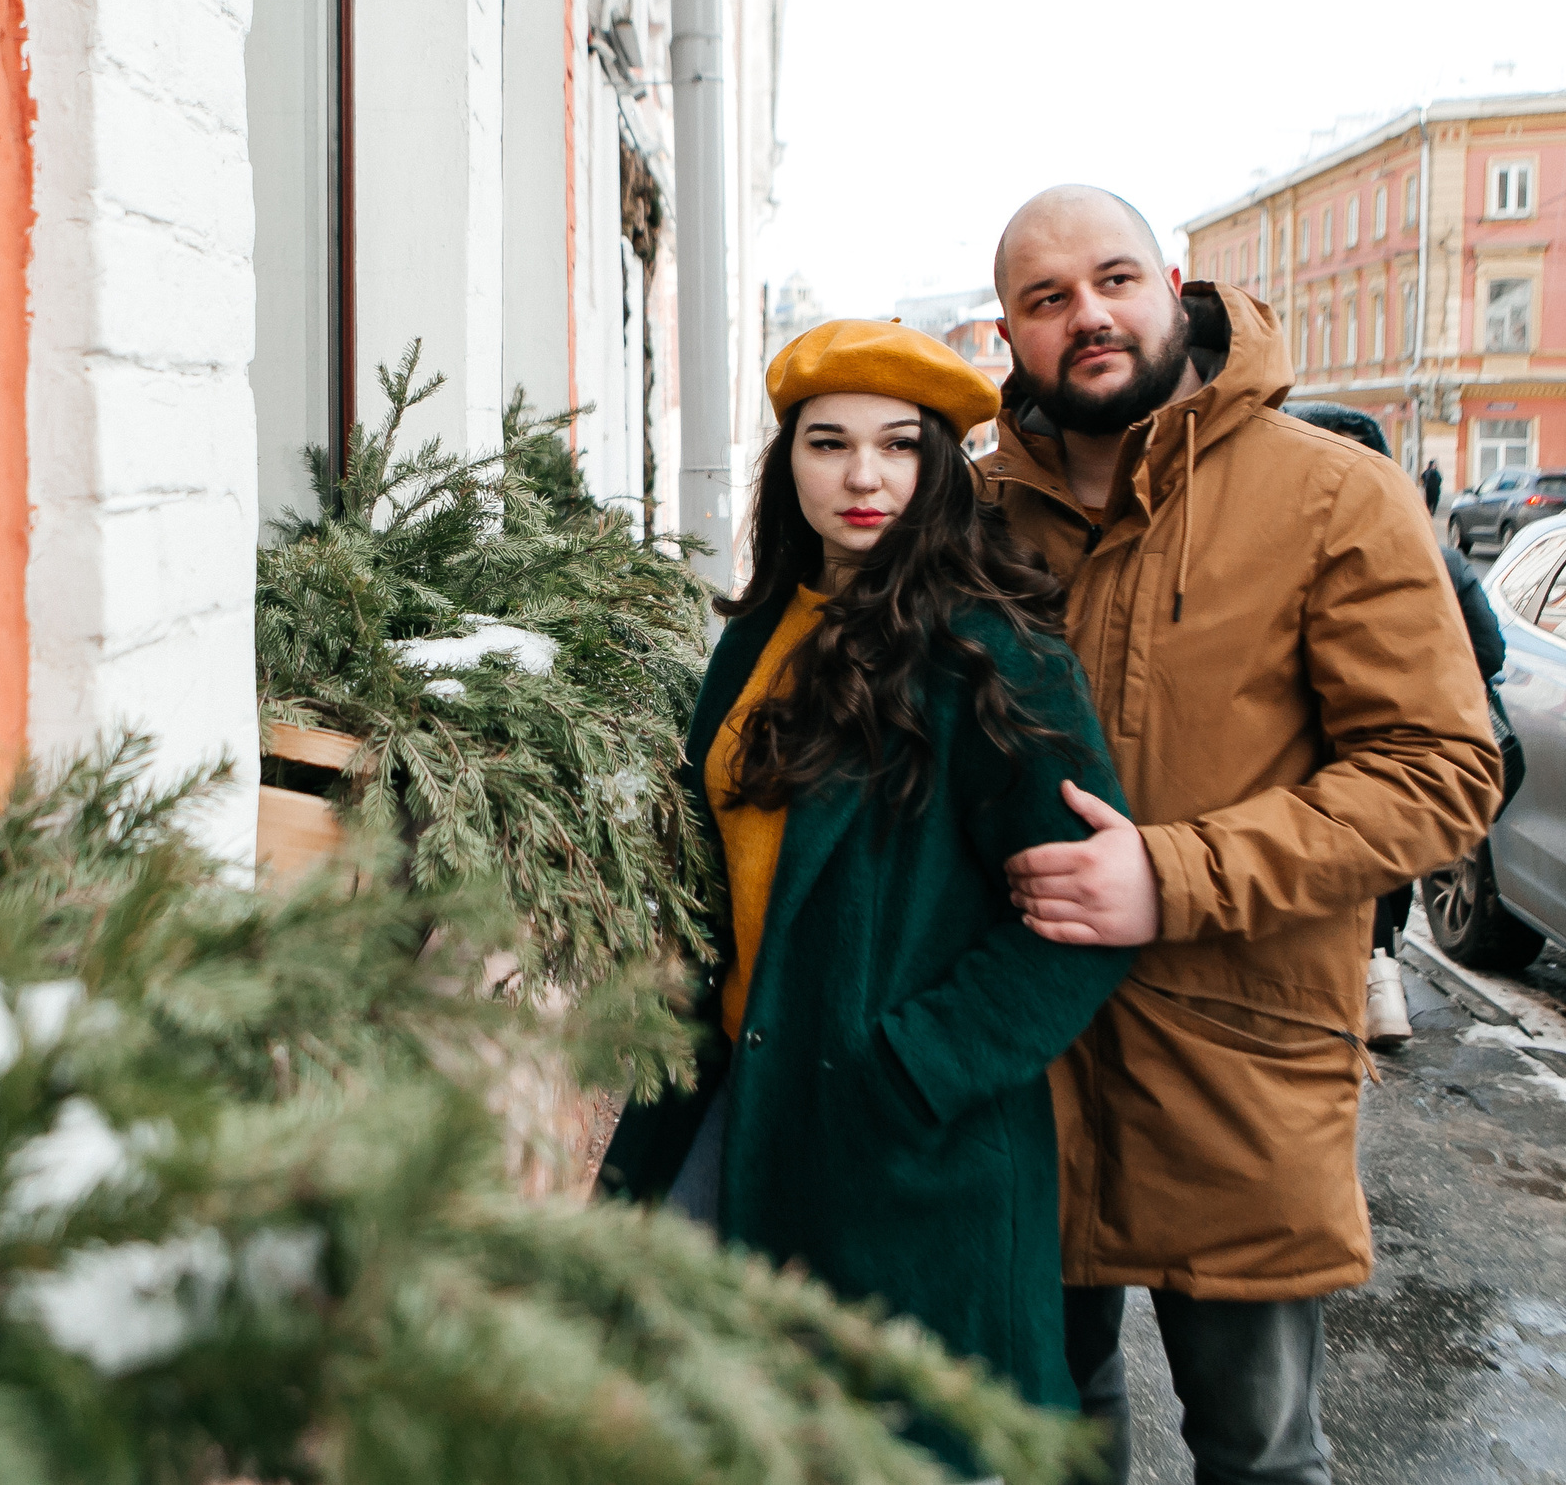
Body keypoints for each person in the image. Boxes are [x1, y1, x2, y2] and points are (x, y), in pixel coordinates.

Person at [983, 187, 1502, 1485]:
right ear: (1010, 331)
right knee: (1045, 1437)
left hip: (1237, 1072)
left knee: (1261, 1454)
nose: (1086, 316)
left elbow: (1442, 771)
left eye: (1111, 280)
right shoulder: (969, 519)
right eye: (1047, 300)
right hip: (1016, 1076)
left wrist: (1172, 873)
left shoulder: (1334, 496)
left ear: (1173, 283)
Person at [600, 320, 1136, 1473]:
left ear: (939, 469)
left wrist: (916, 1064)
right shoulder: (758, 631)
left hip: (900, 1134)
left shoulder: (994, 647)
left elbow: (1079, 926)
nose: (861, 476)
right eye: (827, 442)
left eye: (898, 447)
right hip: (737, 1086)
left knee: (893, 1445)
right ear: (785, 462)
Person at [1280, 401, 1510, 1047]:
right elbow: (1488, 653)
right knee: (1380, 872)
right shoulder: (1438, 554)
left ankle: (1375, 981)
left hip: (1346, 773)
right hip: (1367, 778)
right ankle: (1381, 980)